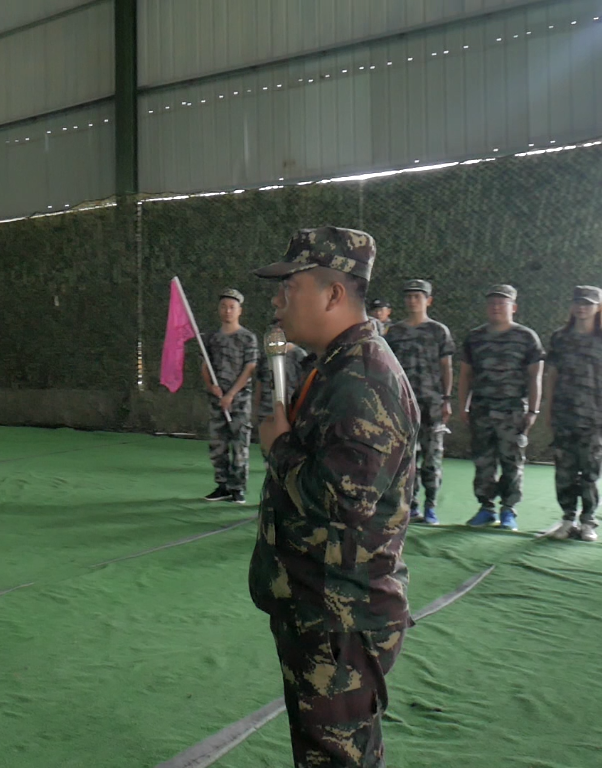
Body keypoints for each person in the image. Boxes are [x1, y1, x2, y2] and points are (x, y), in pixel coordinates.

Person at [251, 226, 418, 767]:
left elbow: (343, 501)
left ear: (333, 294)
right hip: (320, 606)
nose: (278, 302)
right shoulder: (334, 367)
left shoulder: (363, 379)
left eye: (290, 288)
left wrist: (279, 449)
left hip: (342, 615)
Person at [544, 287, 602, 543]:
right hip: (564, 414)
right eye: (578, 303)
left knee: (591, 470)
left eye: (588, 304)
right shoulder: (560, 337)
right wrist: (548, 408)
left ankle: (588, 521)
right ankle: (568, 519)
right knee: (565, 470)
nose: (582, 308)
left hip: (595, 415)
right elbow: (552, 374)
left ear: (599, 308)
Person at [458, 285, 544, 532]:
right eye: (492, 303)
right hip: (481, 410)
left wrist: (533, 410)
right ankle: (486, 509)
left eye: (502, 303)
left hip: (513, 411)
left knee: (512, 461)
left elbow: (535, 376)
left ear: (513, 307)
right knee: (483, 462)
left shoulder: (526, 337)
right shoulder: (474, 337)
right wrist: (463, 406)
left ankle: (508, 510)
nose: (496, 307)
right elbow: (465, 375)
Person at [384, 279, 455, 525]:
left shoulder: (438, 331)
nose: (412, 301)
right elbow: (387, 367)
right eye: (409, 296)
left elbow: (446, 367)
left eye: (418, 296)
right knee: (404, 458)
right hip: (402, 405)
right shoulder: (394, 332)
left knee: (432, 458)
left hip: (431, 404)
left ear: (428, 300)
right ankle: (409, 506)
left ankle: (430, 507)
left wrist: (446, 399)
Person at [201, 288, 258, 504]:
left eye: (232, 307)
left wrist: (231, 394)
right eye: (224, 307)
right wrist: (211, 387)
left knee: (240, 443)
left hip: (239, 400)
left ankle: (238, 488)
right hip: (217, 399)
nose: (227, 311)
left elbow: (250, 367)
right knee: (218, 444)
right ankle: (222, 485)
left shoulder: (247, 338)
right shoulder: (211, 338)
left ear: (239, 311)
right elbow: (205, 365)